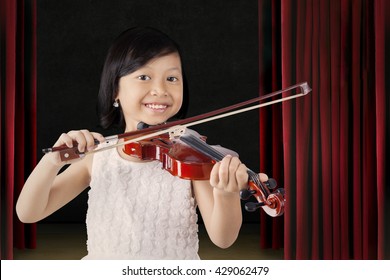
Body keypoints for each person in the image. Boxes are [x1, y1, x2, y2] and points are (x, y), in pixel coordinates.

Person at [16, 27, 268, 260]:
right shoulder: (99, 156)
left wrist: (225, 193)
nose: (160, 89)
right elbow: (28, 213)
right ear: (115, 88)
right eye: (144, 76)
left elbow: (223, 238)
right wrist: (51, 161)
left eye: (172, 79)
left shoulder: (191, 157)